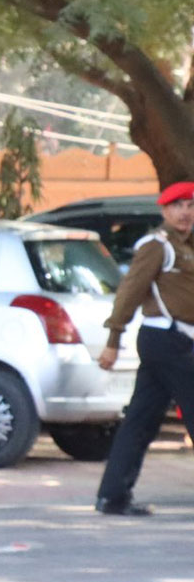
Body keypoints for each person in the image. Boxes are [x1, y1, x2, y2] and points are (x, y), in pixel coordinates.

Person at [94, 180, 194, 515]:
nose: (185, 212)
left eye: (190, 206)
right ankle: (113, 495)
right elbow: (130, 292)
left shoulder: (187, 246)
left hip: (174, 340)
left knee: (140, 421)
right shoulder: (157, 245)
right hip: (167, 339)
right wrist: (113, 340)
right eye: (178, 206)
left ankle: (113, 496)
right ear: (164, 210)